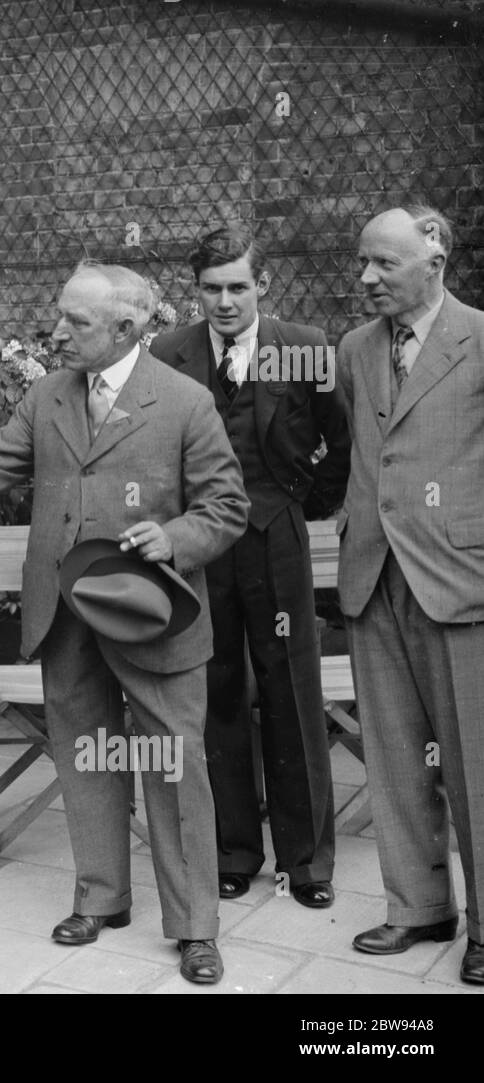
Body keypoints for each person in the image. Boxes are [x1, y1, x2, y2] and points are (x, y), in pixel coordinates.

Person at [0, 263, 248, 985]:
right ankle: (101, 896)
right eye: (60, 316)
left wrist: (175, 539)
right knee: (87, 754)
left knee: (173, 768)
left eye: (76, 322)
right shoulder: (48, 394)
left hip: (154, 617)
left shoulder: (185, 403)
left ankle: (194, 927)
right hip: (67, 616)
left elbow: (225, 508)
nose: (57, 331)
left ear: (126, 329)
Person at [149, 224, 350, 908]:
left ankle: (307, 860)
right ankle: (234, 848)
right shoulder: (169, 351)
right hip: (204, 543)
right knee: (216, 687)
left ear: (262, 285)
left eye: (239, 286)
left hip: (275, 535)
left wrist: (296, 505)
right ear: (195, 290)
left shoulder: (304, 348)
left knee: (291, 689)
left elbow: (339, 441)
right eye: (212, 289)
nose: (226, 301)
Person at [337, 205, 484, 985]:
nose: (366, 279)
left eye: (382, 265)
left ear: (434, 260)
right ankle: (418, 906)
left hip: (461, 582)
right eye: (363, 263)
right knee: (394, 758)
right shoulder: (357, 349)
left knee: (476, 765)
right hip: (374, 577)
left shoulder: (481, 337)